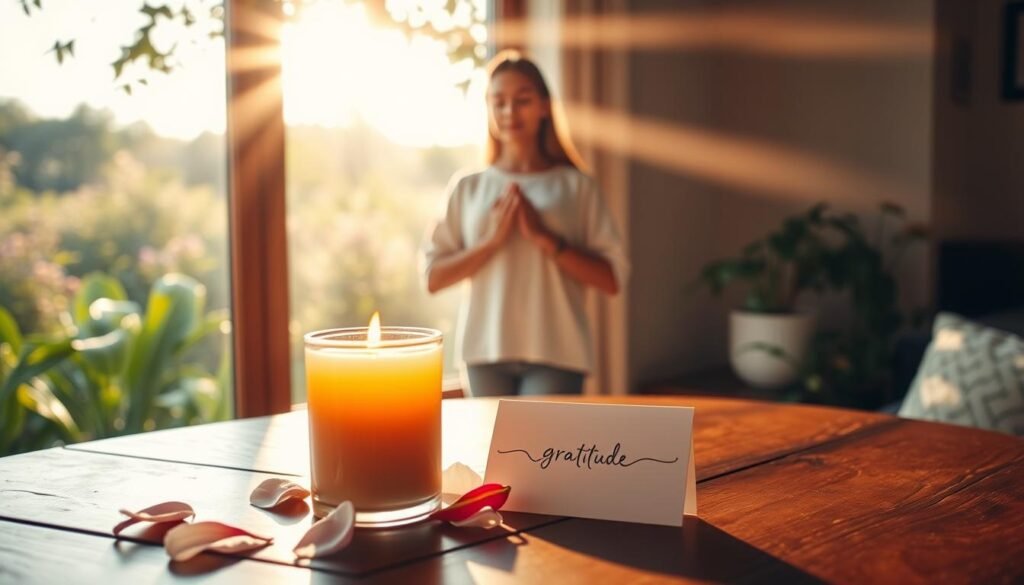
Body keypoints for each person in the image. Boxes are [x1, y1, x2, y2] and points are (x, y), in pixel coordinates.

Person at [422, 50, 628, 397]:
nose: (509, 112)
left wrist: (546, 238)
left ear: (545, 106)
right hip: (484, 351)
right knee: (490, 452)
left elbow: (611, 279)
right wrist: (491, 242)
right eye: (498, 102)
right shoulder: (468, 187)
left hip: (558, 352)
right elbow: (434, 277)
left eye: (522, 101)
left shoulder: (576, 186)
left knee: (543, 452)